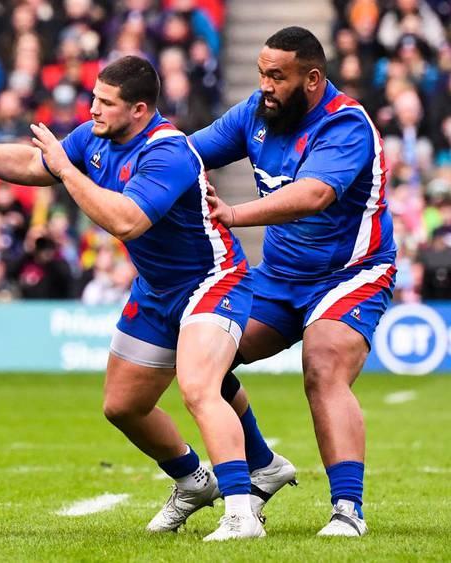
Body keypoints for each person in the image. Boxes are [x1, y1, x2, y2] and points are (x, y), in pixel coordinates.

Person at [0, 56, 295, 541]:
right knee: (123, 406)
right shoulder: (96, 136)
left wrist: (67, 170)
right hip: (155, 288)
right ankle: (193, 479)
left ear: (139, 109)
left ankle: (241, 513)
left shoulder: (168, 151)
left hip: (211, 280)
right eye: (94, 98)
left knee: (199, 387)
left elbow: (127, 220)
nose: (93, 109)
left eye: (106, 102)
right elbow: (36, 165)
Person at [192, 26, 396, 538]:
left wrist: (233, 213)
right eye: (262, 73)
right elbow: (187, 154)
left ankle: (347, 510)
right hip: (280, 276)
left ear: (312, 79)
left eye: (277, 76)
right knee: (202, 358)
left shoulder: (345, 124)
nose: (265, 85)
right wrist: (118, 153)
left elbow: (313, 195)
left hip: (351, 274)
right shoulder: (255, 114)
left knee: (323, 366)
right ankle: (263, 464)